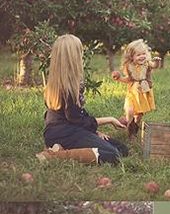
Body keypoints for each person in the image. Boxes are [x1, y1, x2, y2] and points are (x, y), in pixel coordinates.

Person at [38, 34, 128, 165]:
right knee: (113, 155)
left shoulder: (63, 83)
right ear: (73, 58)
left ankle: (60, 148)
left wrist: (94, 132)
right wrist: (110, 119)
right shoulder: (67, 88)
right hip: (63, 133)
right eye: (80, 52)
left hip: (69, 130)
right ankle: (55, 155)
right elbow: (77, 120)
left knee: (121, 149)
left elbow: (76, 116)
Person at [111, 38, 161, 137]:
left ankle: (134, 129)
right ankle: (127, 122)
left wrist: (157, 62)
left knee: (139, 116)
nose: (142, 56)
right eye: (138, 55)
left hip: (143, 93)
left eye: (144, 54)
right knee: (130, 110)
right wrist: (119, 78)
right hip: (132, 92)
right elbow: (128, 79)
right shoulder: (129, 66)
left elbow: (154, 65)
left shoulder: (147, 64)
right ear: (131, 56)